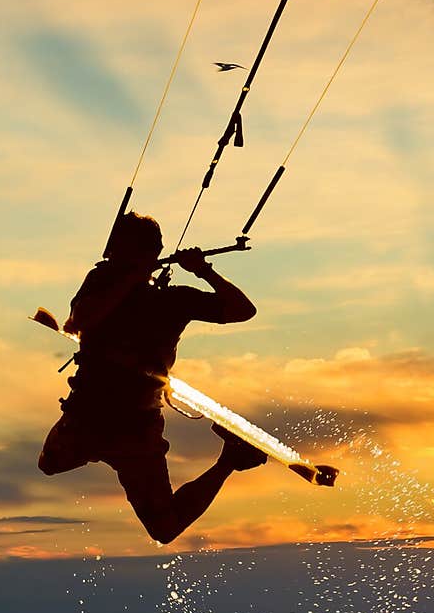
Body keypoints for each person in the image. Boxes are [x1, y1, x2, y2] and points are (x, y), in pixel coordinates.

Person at [38, 211, 266, 544]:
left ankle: (229, 459)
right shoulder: (100, 282)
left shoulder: (172, 300)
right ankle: (228, 458)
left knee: (164, 528)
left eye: (117, 251)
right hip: (87, 416)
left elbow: (243, 311)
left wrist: (204, 271)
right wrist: (129, 277)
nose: (109, 257)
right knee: (49, 463)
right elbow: (80, 320)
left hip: (136, 428)